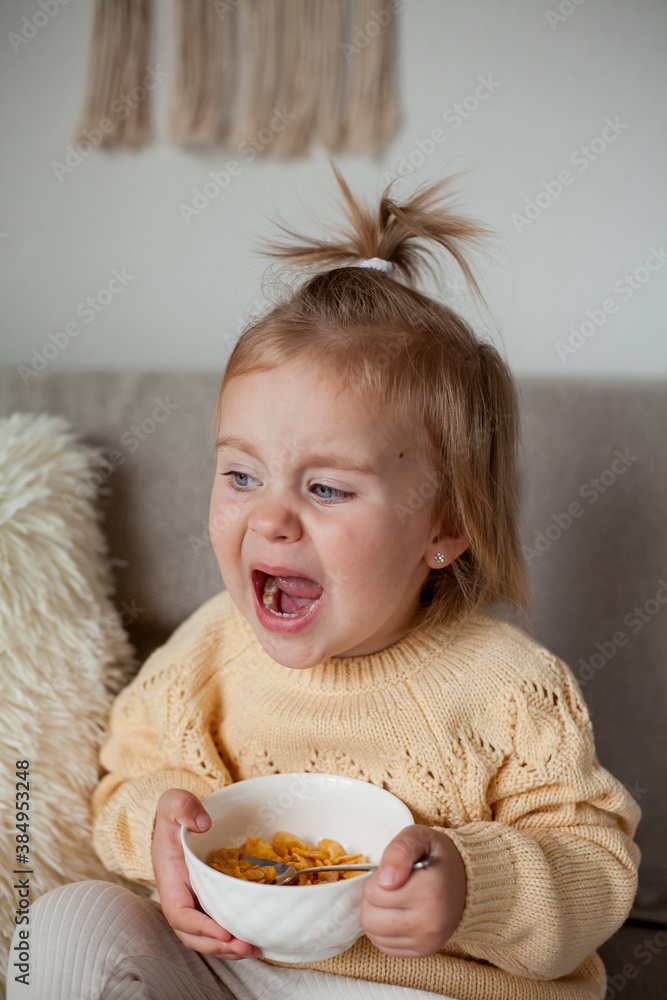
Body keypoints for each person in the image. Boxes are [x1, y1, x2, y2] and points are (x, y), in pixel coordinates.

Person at [7, 163, 641, 1000]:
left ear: (443, 528)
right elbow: (128, 775)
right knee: (56, 932)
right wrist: (159, 828)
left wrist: (470, 891)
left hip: (427, 985)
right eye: (241, 476)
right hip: (237, 971)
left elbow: (592, 866)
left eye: (326, 488)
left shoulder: (511, 690)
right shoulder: (208, 651)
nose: (270, 518)